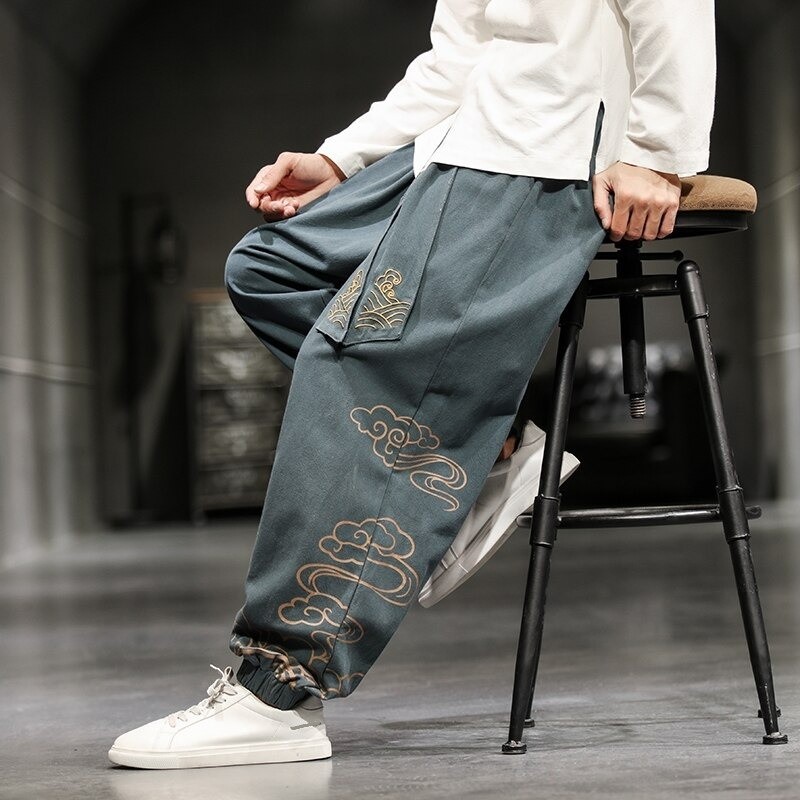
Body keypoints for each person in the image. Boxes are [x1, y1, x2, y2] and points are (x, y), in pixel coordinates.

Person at [109, 0, 715, 769]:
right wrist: (341, 158)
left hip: (546, 150)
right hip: (460, 140)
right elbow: (456, 56)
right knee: (268, 271)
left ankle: (280, 690)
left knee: (351, 357)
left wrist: (657, 152)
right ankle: (489, 454)